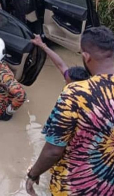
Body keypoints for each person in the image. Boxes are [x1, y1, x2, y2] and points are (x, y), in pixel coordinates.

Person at [26, 26, 114, 196]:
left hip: (75, 187)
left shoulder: (75, 94)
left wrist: (33, 174)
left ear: (86, 57)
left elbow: (53, 151)